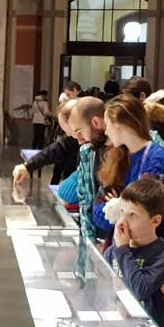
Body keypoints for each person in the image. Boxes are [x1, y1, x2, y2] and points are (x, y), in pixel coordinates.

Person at [103, 178, 164, 327]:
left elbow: (141, 289)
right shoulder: (112, 251)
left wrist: (123, 248)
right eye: (122, 211)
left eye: (133, 215)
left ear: (155, 220)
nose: (123, 221)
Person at [96, 94, 164, 235]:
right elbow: (97, 212)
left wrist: (119, 208)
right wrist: (125, 210)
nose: (106, 131)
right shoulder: (117, 157)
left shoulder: (158, 158)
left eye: (107, 125)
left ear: (117, 123)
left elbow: (149, 215)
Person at [69, 97, 109, 243]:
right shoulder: (87, 152)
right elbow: (85, 202)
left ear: (96, 122)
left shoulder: (126, 149)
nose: (79, 139)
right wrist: (89, 245)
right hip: (99, 237)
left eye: (79, 131)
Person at [13, 99, 80, 185]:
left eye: (69, 131)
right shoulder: (75, 138)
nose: (68, 135)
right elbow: (58, 148)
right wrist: (28, 166)